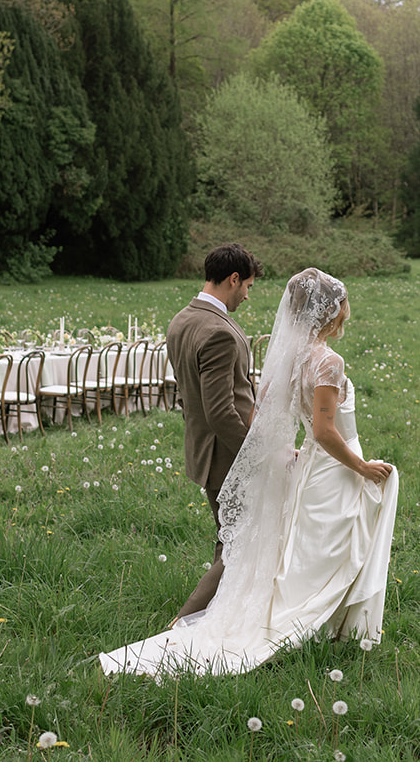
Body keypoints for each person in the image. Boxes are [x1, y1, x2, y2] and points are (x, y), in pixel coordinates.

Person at [100, 267, 398, 676]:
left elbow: (268, 417)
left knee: (308, 549)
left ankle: (326, 623)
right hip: (332, 469)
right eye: (342, 306)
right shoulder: (327, 362)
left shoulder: (289, 360)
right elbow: (326, 432)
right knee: (326, 551)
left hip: (310, 465)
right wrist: (362, 467)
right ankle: (308, 623)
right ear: (330, 310)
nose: (346, 313)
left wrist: (285, 452)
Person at [165, 242, 261, 619]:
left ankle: (224, 613)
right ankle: (181, 624)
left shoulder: (182, 319)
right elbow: (220, 412)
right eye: (248, 287)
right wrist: (255, 453)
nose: (247, 296)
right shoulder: (217, 331)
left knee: (230, 542)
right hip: (226, 456)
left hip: (203, 450)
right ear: (233, 279)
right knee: (235, 548)